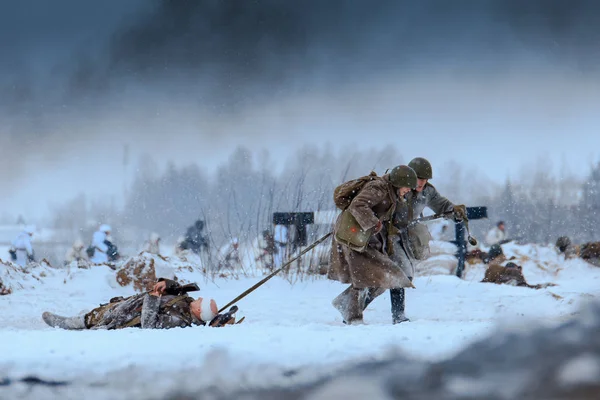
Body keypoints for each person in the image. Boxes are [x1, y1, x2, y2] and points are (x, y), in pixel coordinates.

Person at [328, 165, 417, 325]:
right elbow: (358, 205)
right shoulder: (379, 188)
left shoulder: (390, 191)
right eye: (407, 187)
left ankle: (347, 306)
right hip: (355, 238)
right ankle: (352, 315)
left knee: (379, 277)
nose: (408, 190)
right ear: (399, 183)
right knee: (374, 275)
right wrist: (373, 222)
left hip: (364, 238)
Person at [385, 157, 467, 323]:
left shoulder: (428, 192)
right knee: (400, 272)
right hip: (387, 234)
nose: (422, 182)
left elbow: (442, 205)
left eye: (425, 179)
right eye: (419, 178)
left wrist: (455, 211)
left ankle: (354, 308)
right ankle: (397, 315)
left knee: (393, 275)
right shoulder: (397, 187)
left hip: (408, 236)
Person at [41, 278, 239, 330]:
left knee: (94, 318)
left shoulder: (179, 320)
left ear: (198, 310)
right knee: (100, 310)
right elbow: (178, 289)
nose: (198, 298)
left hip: (124, 317)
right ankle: (81, 317)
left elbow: (149, 324)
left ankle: (67, 323)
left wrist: (153, 297)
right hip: (128, 305)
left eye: (201, 301)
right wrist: (166, 284)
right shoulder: (187, 303)